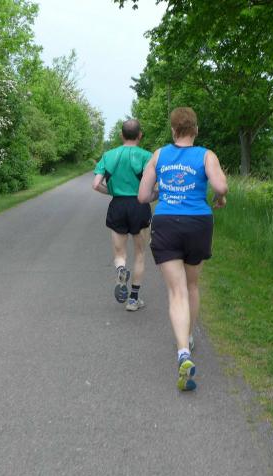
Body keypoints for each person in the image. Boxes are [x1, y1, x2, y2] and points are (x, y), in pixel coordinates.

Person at [138, 107, 228, 391]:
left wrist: (161, 192)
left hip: (166, 223)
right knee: (191, 285)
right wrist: (220, 197)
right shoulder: (206, 155)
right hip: (198, 224)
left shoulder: (158, 155)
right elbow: (221, 185)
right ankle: (188, 337)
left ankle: (183, 353)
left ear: (173, 130)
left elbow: (143, 196)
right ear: (196, 130)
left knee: (176, 291)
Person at [92, 119, 154, 311]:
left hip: (117, 205)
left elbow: (96, 184)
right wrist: (156, 195)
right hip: (139, 205)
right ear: (140, 135)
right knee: (140, 254)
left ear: (121, 135)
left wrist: (112, 192)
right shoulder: (147, 156)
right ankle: (133, 300)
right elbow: (154, 185)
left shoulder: (108, 155)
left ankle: (121, 269)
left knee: (120, 254)